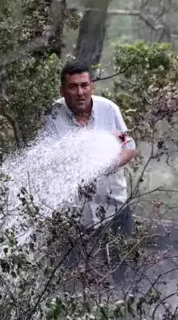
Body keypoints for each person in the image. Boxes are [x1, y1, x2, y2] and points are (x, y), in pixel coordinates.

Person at [40, 61, 137, 283]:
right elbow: (47, 156)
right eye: (73, 87)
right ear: (63, 91)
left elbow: (128, 146)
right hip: (73, 212)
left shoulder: (108, 110)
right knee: (67, 273)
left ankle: (126, 310)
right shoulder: (54, 114)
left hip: (114, 204)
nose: (80, 92)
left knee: (124, 268)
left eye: (84, 85)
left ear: (91, 86)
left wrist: (108, 164)